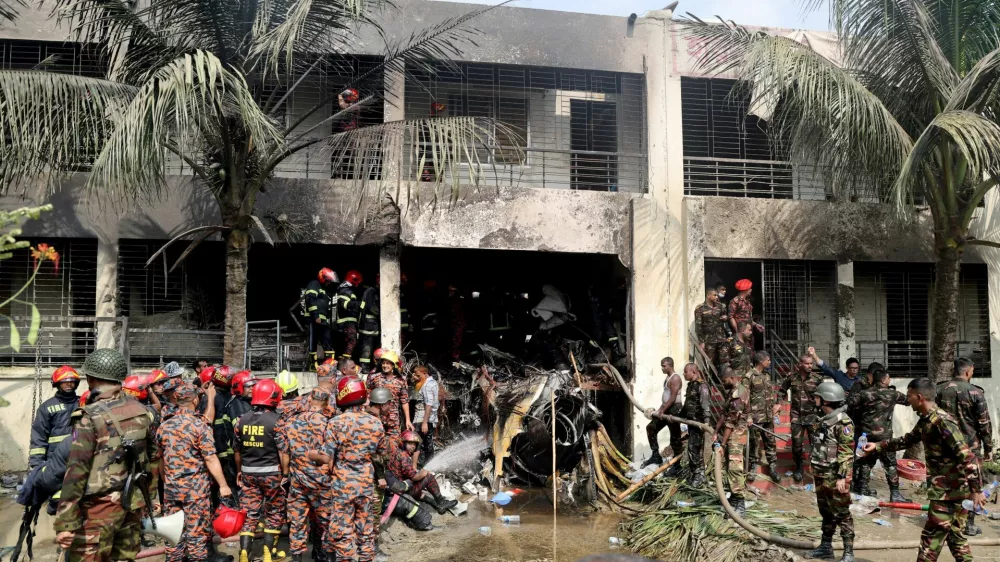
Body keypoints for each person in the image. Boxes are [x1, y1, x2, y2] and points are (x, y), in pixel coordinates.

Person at [53, 349, 158, 562]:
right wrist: (150, 498)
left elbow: (76, 472)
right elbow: (153, 457)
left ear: (91, 379)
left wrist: (66, 523)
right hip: (131, 504)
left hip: (97, 512)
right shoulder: (141, 410)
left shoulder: (89, 417)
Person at [862, 378, 983, 562]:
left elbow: (967, 457)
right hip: (952, 491)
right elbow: (908, 440)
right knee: (955, 537)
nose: (907, 400)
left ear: (919, 397)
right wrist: (878, 446)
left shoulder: (942, 422)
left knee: (930, 541)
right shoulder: (927, 420)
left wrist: (976, 491)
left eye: (909, 396)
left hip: (948, 492)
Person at [307, 377, 387, 562]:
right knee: (366, 530)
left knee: (343, 531)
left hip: (343, 486)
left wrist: (312, 455)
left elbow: (326, 457)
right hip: (366, 484)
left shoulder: (336, 423)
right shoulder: (376, 423)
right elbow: (382, 454)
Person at [157, 382, 234, 562]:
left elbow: (160, 459)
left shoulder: (164, 426)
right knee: (197, 535)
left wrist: (167, 481)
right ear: (195, 399)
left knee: (173, 534)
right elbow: (210, 458)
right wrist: (223, 485)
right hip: (195, 491)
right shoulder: (199, 426)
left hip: (171, 489)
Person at [936, 357, 993, 536]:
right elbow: (984, 424)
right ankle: (967, 524)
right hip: (970, 447)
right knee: (972, 484)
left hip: (945, 446)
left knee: (947, 483)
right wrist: (989, 448)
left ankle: (944, 521)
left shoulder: (940, 389)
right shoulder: (976, 393)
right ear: (968, 372)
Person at [277, 388, 335, 562]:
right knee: (325, 520)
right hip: (322, 482)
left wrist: (286, 473)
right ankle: (323, 555)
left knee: (297, 521)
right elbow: (330, 456)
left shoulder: (291, 422)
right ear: (326, 403)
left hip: (298, 481)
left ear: (309, 399)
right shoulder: (328, 424)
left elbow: (284, 453)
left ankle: (297, 558)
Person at [234, 379, 287, 562]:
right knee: (274, 512)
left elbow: (237, 451)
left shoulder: (242, 420)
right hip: (272, 475)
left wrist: (239, 471)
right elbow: (283, 452)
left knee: (249, 513)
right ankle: (268, 553)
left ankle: (244, 554)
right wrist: (286, 474)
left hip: (248, 473)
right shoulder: (278, 421)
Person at [804, 381, 856, 562]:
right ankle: (826, 546)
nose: (815, 399)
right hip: (821, 473)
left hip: (836, 476)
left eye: (817, 397)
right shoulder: (823, 419)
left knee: (842, 513)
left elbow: (847, 453)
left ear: (826, 400)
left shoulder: (843, 422)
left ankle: (848, 552)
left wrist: (842, 477)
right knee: (825, 511)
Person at [847, 368, 908, 501]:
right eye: (889, 378)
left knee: (865, 462)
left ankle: (862, 489)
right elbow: (908, 401)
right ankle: (895, 494)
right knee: (890, 464)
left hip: (866, 434)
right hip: (884, 437)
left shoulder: (864, 393)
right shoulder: (892, 394)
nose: (890, 380)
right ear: (884, 380)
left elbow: (850, 404)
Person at [29, 365, 81, 514]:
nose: (69, 384)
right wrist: (38, 464)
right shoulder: (47, 407)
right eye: (65, 381)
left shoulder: (83, 403)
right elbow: (39, 436)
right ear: (57, 384)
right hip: (56, 459)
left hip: (80, 454)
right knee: (58, 492)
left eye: (72, 381)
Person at [387, 431, 458, 514]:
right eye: (410, 443)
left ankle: (437, 505)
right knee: (429, 476)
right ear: (403, 442)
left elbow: (407, 473)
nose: (413, 446)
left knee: (420, 487)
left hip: (398, 489)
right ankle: (441, 502)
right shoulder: (403, 456)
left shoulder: (397, 452)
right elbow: (414, 477)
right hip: (403, 491)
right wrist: (424, 472)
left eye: (414, 444)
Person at [779, 353, 824, 482]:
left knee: (816, 443)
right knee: (796, 444)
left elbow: (824, 397)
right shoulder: (792, 378)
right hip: (796, 416)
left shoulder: (817, 379)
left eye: (811, 363)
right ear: (800, 364)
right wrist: (778, 403)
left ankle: (817, 468)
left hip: (813, 417)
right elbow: (781, 390)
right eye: (807, 363)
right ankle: (799, 467)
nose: (810, 366)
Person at [713, 367, 751, 517]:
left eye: (724, 381)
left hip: (736, 436)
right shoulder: (732, 392)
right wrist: (716, 431)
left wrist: (722, 443)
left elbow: (730, 422)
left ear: (731, 377)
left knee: (735, 469)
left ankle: (740, 503)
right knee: (729, 468)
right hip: (730, 435)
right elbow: (724, 414)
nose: (723, 384)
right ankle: (734, 499)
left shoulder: (739, 394)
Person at [744, 351, 780, 483]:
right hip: (754, 417)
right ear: (760, 361)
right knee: (754, 443)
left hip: (768, 417)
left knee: (770, 443)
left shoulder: (767, 376)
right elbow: (744, 398)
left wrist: (776, 406)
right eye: (768, 360)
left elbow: (771, 394)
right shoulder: (749, 376)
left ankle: (772, 467)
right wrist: (747, 416)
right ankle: (752, 467)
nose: (770, 362)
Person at [642, 357, 683, 470]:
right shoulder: (667, 378)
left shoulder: (675, 378)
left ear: (670, 365)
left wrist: (663, 411)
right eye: (661, 365)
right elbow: (665, 398)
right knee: (651, 427)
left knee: (675, 438)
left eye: (664, 366)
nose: (662, 368)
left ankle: (677, 464)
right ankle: (656, 455)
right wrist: (659, 410)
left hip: (674, 409)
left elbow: (673, 398)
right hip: (666, 408)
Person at [678, 363, 712, 487]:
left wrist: (706, 422)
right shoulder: (690, 385)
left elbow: (705, 404)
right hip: (691, 422)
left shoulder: (701, 386)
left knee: (694, 449)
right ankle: (699, 475)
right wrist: (679, 416)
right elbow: (688, 403)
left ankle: (698, 476)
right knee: (694, 449)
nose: (684, 374)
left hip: (698, 423)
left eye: (685, 371)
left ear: (693, 372)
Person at [368, 350, 413, 439]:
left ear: (393, 365)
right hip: (377, 417)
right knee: (376, 440)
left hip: (393, 418)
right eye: (383, 363)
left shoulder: (401, 380)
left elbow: (404, 401)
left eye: (388, 363)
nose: (385, 365)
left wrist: (408, 420)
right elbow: (368, 396)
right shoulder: (374, 378)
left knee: (394, 441)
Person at [304, 268, 339, 369]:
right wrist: (316, 316)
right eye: (328, 281)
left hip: (322, 321)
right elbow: (310, 299)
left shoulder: (323, 289)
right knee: (313, 342)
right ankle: (312, 365)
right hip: (313, 319)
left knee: (328, 342)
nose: (329, 284)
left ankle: (330, 366)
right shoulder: (314, 284)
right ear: (323, 279)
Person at [411, 365, 440, 464]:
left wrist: (424, 422)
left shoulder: (427, 386)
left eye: (418, 375)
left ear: (425, 373)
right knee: (428, 443)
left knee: (416, 442)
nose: (416, 376)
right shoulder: (432, 382)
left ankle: (414, 466)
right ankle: (428, 465)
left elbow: (428, 405)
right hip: (430, 418)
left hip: (422, 417)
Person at [694, 288, 728, 371]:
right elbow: (698, 326)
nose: (717, 297)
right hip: (709, 340)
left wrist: (725, 318)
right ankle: (708, 382)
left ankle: (724, 380)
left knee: (724, 360)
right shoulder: (700, 308)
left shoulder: (721, 306)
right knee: (709, 362)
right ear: (708, 296)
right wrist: (701, 341)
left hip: (721, 338)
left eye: (717, 295)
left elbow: (726, 317)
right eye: (714, 295)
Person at [728, 279, 762, 349]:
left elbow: (748, 317)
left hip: (748, 333)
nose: (751, 290)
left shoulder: (747, 302)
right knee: (740, 352)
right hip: (740, 334)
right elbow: (731, 317)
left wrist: (755, 325)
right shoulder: (735, 301)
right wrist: (737, 331)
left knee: (749, 352)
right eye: (750, 288)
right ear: (746, 289)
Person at [357, 279, 381, 368]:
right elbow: (372, 307)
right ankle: (364, 367)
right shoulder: (371, 291)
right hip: (368, 326)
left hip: (371, 325)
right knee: (367, 347)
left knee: (372, 347)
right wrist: (382, 313)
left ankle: (371, 366)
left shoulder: (372, 291)